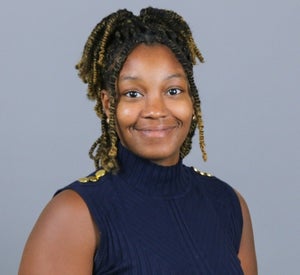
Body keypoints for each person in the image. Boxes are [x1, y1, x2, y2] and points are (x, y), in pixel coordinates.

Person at [18, 7, 257, 275]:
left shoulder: (227, 203)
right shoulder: (74, 214)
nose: (155, 110)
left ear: (192, 100)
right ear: (109, 104)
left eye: (173, 90)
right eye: (133, 93)